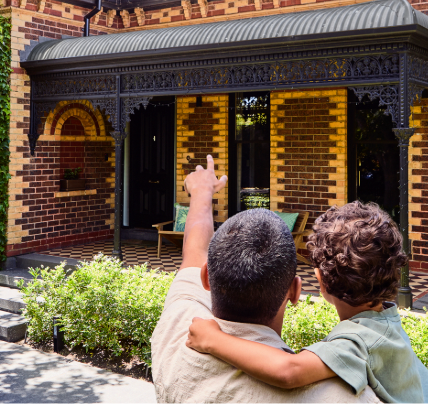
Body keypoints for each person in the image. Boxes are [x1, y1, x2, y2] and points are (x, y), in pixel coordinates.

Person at [150, 155, 382, 403]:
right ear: (295, 291)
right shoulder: (342, 396)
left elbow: (193, 252)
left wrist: (201, 191)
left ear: (206, 277)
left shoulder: (180, 328)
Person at [185, 201, 428, 404]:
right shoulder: (386, 322)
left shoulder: (357, 341)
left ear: (321, 281)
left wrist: (212, 340)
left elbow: (289, 371)